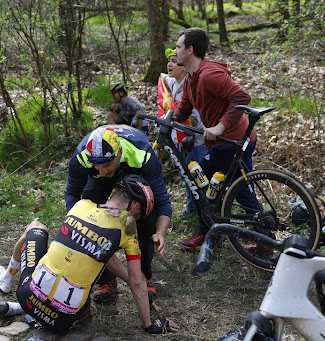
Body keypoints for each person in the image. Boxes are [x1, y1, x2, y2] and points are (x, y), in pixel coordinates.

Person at [0, 175, 178, 335]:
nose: (136, 219)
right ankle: (21, 307)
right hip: (66, 319)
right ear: (135, 207)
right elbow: (135, 279)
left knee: (36, 226)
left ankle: (8, 282)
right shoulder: (127, 229)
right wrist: (150, 325)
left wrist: (135, 284)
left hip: (28, 296)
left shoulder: (81, 205)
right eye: (138, 215)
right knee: (77, 285)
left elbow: (103, 254)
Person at [172, 27, 258, 250]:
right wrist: (165, 119)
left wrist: (220, 127)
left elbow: (241, 96)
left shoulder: (209, 75)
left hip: (232, 140)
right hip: (232, 140)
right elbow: (184, 108)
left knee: (199, 179)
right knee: (238, 187)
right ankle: (260, 236)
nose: (175, 51)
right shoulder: (191, 79)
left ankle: (206, 233)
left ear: (190, 50)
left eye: (178, 47)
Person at [65, 126, 172, 302]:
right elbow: (72, 194)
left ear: (120, 151)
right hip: (98, 181)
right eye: (97, 166)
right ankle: (106, 281)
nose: (103, 171)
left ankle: (144, 275)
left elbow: (163, 202)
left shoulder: (143, 156)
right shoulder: (82, 158)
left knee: (147, 217)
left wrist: (159, 233)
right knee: (93, 216)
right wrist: (80, 221)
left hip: (133, 171)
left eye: (107, 164)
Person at [160, 47, 207, 216]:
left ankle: (202, 208)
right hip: (179, 137)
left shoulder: (191, 85)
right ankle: (192, 208)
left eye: (174, 61)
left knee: (196, 174)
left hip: (197, 139)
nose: (169, 65)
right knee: (184, 173)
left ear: (185, 67)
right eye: (169, 61)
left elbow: (195, 115)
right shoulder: (173, 82)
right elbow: (163, 78)